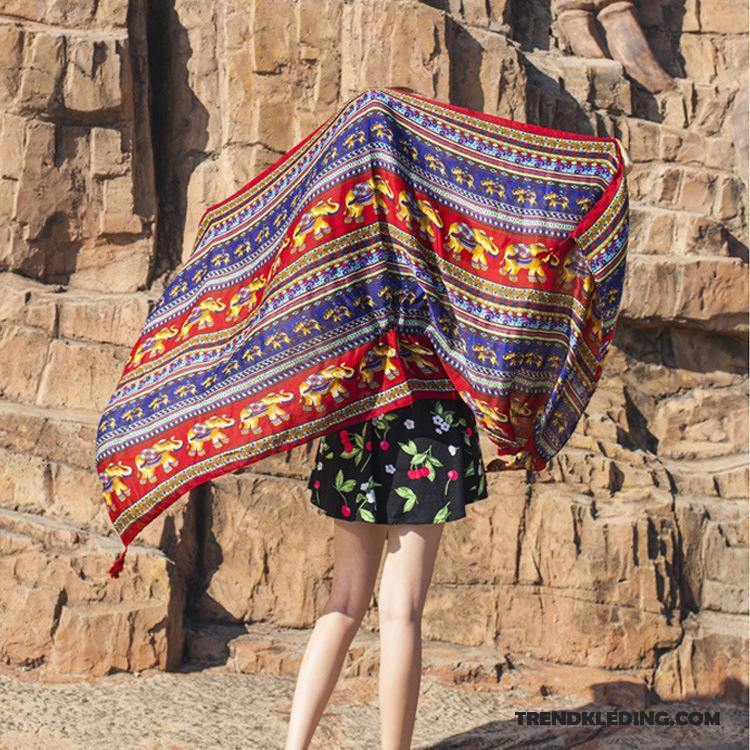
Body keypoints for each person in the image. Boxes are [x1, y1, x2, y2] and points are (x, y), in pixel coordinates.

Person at [284, 395, 489, 750]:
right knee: (401, 613)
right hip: (430, 423)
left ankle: (293, 747)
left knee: (345, 602)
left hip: (359, 417)